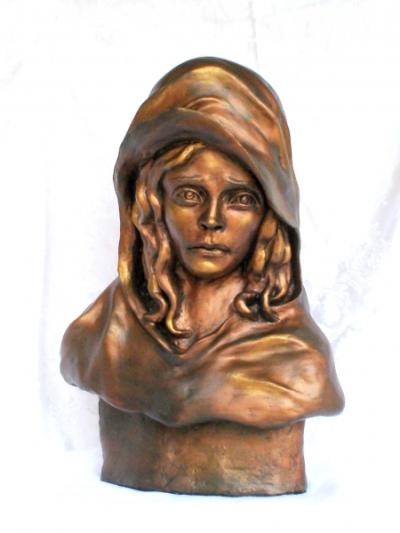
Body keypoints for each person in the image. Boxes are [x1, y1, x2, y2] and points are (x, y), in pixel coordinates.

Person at [61, 57, 344, 495]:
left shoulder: (297, 356)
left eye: (240, 199)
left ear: (270, 216)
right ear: (153, 204)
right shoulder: (100, 333)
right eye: (190, 194)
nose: (212, 220)